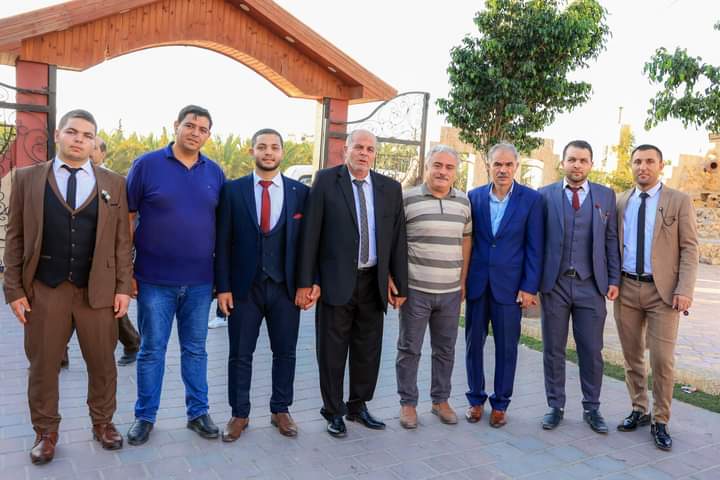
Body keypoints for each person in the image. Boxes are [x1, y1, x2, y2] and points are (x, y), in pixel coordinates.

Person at [3, 109, 132, 464]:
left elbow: (122, 241)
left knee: (103, 363)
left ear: (94, 142)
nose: (79, 140)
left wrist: (123, 287)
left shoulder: (114, 183)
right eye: (73, 132)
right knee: (43, 365)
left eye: (87, 135)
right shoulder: (27, 178)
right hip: (46, 288)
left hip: (98, 290)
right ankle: (45, 432)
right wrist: (14, 290)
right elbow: (15, 238)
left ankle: (103, 422)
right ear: (58, 134)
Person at [296, 129, 408, 437]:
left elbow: (398, 238)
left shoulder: (389, 188)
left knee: (367, 350)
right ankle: (333, 411)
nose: (363, 153)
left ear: (375, 154)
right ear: (346, 149)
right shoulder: (326, 181)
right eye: (358, 147)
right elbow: (311, 235)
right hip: (335, 282)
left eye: (370, 149)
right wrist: (308, 280)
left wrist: (400, 283)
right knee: (332, 352)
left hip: (373, 282)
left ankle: (358, 406)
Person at [125, 105, 225, 445]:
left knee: (196, 350)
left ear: (208, 135)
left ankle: (198, 413)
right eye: (190, 125)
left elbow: (221, 225)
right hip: (153, 280)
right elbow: (128, 218)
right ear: (176, 126)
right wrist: (127, 270)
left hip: (200, 282)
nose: (195, 132)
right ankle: (145, 416)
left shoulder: (215, 172)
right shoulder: (146, 165)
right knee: (152, 350)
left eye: (203, 128)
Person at [215, 128, 310, 441]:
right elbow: (222, 241)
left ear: (282, 152)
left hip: (285, 287)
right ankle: (239, 414)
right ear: (251, 151)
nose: (268, 152)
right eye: (262, 147)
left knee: (285, 352)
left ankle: (280, 409)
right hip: (244, 288)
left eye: (274, 147)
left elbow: (308, 244)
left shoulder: (300, 192)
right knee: (240, 354)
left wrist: (307, 283)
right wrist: (223, 287)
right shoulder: (233, 190)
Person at [614, 144, 698, 451]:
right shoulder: (620, 201)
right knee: (631, 355)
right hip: (626, 288)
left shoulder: (679, 200)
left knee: (662, 359)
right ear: (631, 165)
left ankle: (661, 419)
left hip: (663, 293)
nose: (643, 167)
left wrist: (684, 290)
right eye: (637, 161)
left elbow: (689, 248)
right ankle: (639, 408)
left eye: (650, 161)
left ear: (661, 165)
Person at [538, 140, 620, 433]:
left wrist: (614, 279)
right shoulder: (544, 195)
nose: (577, 165)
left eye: (583, 160)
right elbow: (536, 242)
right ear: (563, 163)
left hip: (591, 285)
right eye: (572, 159)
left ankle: (592, 407)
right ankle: (555, 406)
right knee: (553, 349)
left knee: (591, 349)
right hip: (555, 284)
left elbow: (611, 239)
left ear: (591, 165)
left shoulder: (605, 196)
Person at [465, 143, 543, 428]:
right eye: (497, 164)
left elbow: (535, 247)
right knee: (473, 344)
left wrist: (529, 287)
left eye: (508, 165)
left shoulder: (531, 200)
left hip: (510, 288)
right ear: (488, 166)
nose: (503, 169)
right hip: (477, 285)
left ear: (516, 167)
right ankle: (475, 400)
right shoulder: (473, 197)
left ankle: (500, 404)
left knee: (507, 348)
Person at [395, 145, 471, 429]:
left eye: (449, 167)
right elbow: (395, 243)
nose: (442, 172)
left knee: (445, 349)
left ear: (455, 172)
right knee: (409, 349)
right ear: (426, 167)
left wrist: (462, 281)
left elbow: (466, 240)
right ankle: (408, 403)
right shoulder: (407, 199)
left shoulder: (463, 202)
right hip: (416, 289)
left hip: (450, 292)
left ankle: (440, 400)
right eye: (437, 165)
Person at [59, 137, 140, 368]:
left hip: (104, 261)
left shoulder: (114, 183)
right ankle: (59, 352)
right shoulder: (63, 178)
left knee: (109, 308)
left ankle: (132, 342)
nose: (88, 149)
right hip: (70, 259)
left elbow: (124, 224)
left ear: (102, 154)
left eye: (94, 147)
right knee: (67, 307)